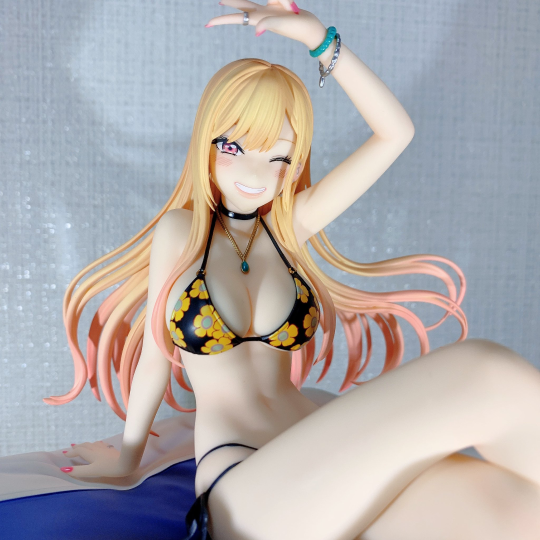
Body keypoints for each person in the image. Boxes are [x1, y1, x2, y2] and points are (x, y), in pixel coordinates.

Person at [45, 1, 540, 539]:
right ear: (206, 144)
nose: (257, 173)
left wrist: (319, 40)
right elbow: (154, 360)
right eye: (234, 147)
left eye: (279, 158)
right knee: (488, 373)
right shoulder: (180, 232)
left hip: (320, 447)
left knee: (520, 510)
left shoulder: (289, 229)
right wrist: (128, 457)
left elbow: (395, 132)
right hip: (248, 483)